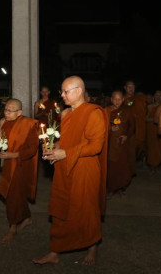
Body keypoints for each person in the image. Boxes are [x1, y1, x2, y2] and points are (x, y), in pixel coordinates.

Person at [33, 75, 108, 265]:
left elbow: (95, 147)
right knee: (60, 208)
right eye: (62, 91)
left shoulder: (94, 113)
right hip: (65, 167)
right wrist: (53, 146)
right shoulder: (66, 114)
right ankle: (55, 251)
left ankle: (92, 247)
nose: (62, 95)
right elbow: (66, 141)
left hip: (85, 168)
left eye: (66, 91)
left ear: (79, 91)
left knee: (86, 209)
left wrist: (64, 153)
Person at [0, 98, 39, 243]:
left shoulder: (30, 124)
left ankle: (12, 228)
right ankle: (27, 218)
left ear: (19, 112)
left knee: (13, 196)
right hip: (7, 163)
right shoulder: (3, 122)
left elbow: (32, 149)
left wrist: (12, 155)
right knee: (16, 194)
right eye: (5, 109)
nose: (6, 113)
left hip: (20, 163)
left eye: (10, 110)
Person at [105, 90, 135, 197]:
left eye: (119, 99)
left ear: (123, 100)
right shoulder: (106, 111)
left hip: (123, 143)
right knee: (111, 167)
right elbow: (99, 127)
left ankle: (121, 186)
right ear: (111, 99)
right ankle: (111, 188)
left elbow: (132, 126)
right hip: (110, 144)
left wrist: (126, 135)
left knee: (123, 166)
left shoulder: (127, 110)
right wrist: (110, 128)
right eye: (115, 99)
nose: (117, 101)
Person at [123, 80, 147, 175]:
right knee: (127, 150)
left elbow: (144, 112)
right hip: (126, 128)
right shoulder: (121, 99)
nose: (131, 88)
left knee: (138, 147)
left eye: (133, 86)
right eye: (129, 86)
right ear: (125, 88)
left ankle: (131, 167)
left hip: (138, 127)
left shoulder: (140, 99)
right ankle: (127, 170)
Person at [146, 90, 161, 174]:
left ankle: (157, 164)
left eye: (160, 95)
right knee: (152, 148)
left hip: (160, 128)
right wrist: (155, 119)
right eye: (156, 95)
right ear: (154, 96)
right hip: (151, 129)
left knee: (159, 147)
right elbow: (145, 119)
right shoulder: (150, 107)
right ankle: (152, 166)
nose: (158, 97)